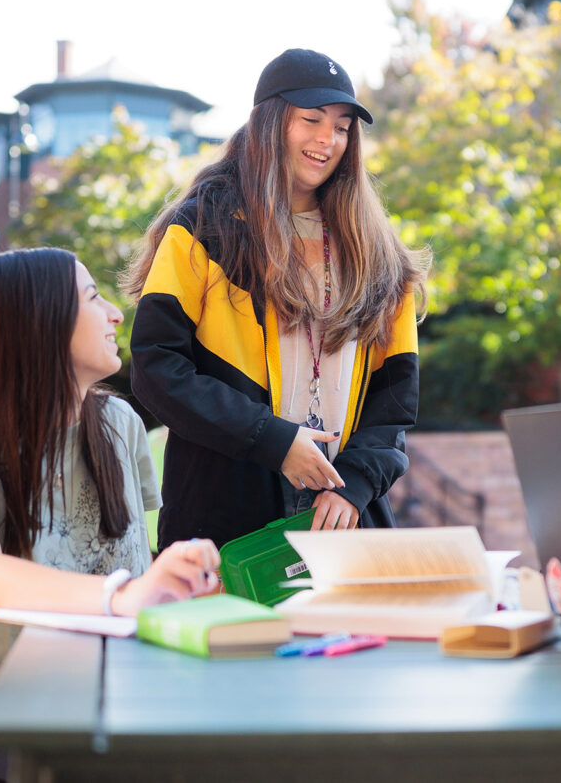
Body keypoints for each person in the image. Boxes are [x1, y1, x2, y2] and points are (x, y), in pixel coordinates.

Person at [0, 248, 220, 774]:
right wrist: (122, 598)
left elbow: (132, 559)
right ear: (40, 321)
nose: (116, 313)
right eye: (94, 297)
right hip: (2, 730)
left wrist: (182, 584)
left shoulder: (119, 424)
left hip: (130, 712)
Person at [124, 48, 426, 548]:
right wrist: (275, 441)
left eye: (343, 126)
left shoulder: (378, 249)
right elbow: (156, 368)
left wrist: (353, 485)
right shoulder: (202, 227)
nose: (327, 139)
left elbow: (395, 401)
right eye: (311, 119)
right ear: (269, 122)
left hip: (344, 517)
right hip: (225, 514)